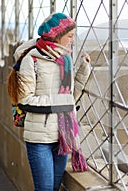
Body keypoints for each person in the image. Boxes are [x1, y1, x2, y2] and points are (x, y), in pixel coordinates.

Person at [14, 12, 91, 191]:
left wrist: (84, 71)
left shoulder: (66, 60)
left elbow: (70, 98)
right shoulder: (31, 60)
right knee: (45, 189)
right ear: (57, 35)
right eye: (70, 36)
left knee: (55, 188)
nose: (72, 40)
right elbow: (24, 100)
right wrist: (58, 104)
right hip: (39, 138)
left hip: (62, 136)